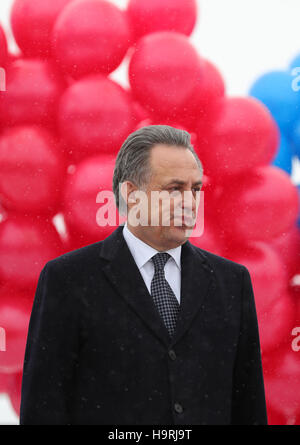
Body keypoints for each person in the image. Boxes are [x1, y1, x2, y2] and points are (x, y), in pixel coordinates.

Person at [20, 125, 268, 425]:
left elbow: (249, 407)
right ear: (131, 195)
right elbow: (43, 408)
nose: (190, 202)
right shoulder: (69, 279)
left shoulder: (231, 282)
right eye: (174, 189)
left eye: (196, 189)